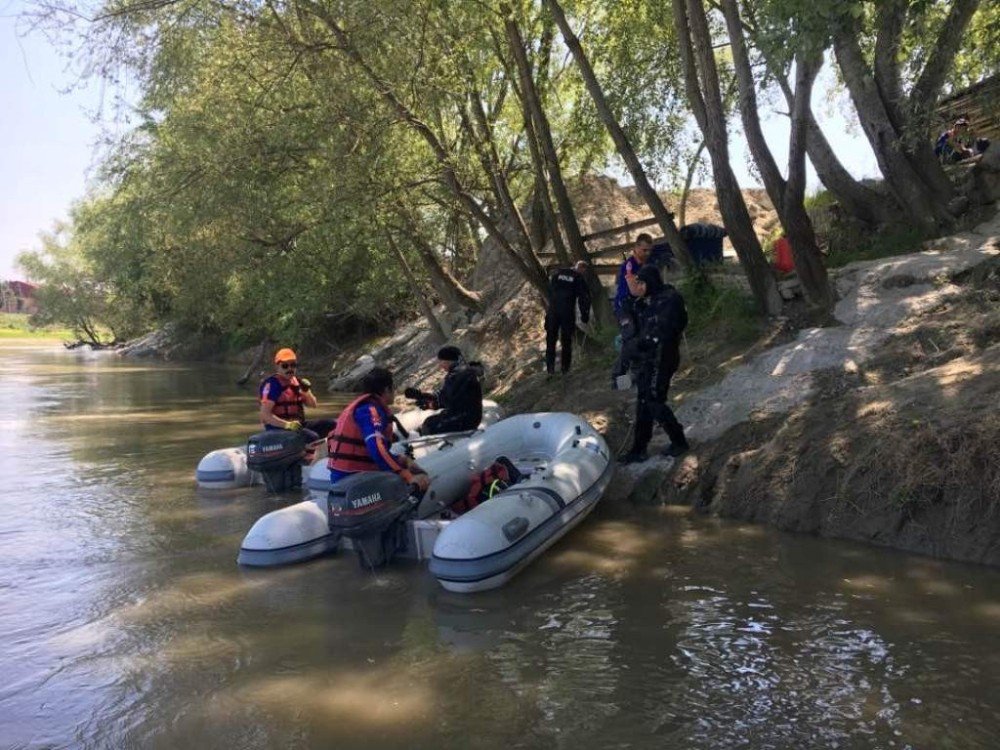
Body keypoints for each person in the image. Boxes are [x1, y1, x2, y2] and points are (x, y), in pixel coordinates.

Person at [619, 265, 690, 464]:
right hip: (649, 357)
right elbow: (636, 322)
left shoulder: (669, 299)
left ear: (651, 282)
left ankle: (679, 440)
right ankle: (638, 449)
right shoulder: (648, 300)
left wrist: (642, 343)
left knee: (654, 400)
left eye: (642, 283)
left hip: (663, 357)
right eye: (638, 283)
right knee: (643, 401)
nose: (639, 287)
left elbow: (664, 330)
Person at [327, 367, 430, 491]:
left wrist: (401, 460)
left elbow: (372, 450)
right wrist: (406, 475)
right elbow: (376, 448)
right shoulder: (371, 412)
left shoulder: (361, 407)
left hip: (343, 475)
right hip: (354, 478)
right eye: (393, 388)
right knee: (411, 482)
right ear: (387, 389)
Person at [258, 348, 337, 443]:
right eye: (285, 366)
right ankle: (307, 453)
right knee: (312, 437)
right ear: (277, 367)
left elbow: (313, 405)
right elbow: (265, 415)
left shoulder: (297, 382)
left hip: (297, 426)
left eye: (293, 365)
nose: (290, 369)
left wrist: (306, 391)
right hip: (278, 429)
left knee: (332, 424)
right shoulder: (272, 385)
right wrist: (287, 425)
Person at [404, 345, 484, 436]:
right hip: (468, 415)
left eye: (440, 361)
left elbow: (447, 400)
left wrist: (430, 404)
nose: (440, 365)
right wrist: (423, 396)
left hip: (465, 419)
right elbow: (448, 395)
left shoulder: (457, 375)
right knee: (430, 421)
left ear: (447, 361)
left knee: (429, 425)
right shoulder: (462, 372)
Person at [611, 234, 653, 388]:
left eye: (649, 250)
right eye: (644, 250)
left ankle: (636, 374)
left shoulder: (646, 264)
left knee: (640, 338)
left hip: (637, 305)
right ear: (636, 248)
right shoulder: (629, 265)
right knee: (629, 338)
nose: (647, 253)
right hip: (624, 306)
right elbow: (635, 289)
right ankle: (617, 378)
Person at [544, 260, 591, 375]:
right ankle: (565, 369)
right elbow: (584, 298)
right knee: (566, 340)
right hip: (567, 312)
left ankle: (550, 369)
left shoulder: (558, 273)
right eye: (583, 271)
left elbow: (549, 291)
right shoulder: (578, 278)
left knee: (550, 340)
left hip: (553, 311)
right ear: (581, 269)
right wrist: (585, 315)